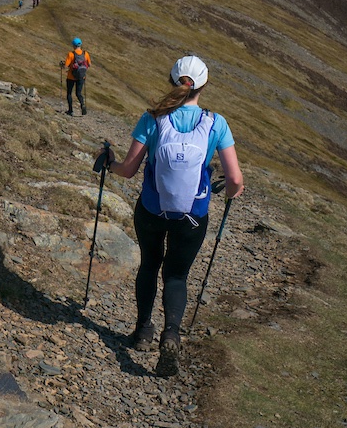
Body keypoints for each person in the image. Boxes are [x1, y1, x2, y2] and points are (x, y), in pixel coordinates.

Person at [100, 54, 245, 376]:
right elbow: (234, 180)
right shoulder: (215, 123)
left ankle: (142, 331)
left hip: (152, 208)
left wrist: (108, 162)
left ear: (172, 80)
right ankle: (171, 334)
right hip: (192, 215)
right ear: (203, 85)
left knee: (150, 264)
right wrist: (233, 193)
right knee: (177, 275)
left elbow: (127, 170)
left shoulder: (152, 119)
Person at [62, 38, 90, 115]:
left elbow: (66, 65)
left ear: (73, 45)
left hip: (71, 77)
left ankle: (70, 111)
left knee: (69, 93)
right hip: (81, 77)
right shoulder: (85, 54)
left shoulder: (71, 54)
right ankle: (82, 104)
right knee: (78, 93)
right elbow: (89, 64)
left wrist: (62, 65)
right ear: (80, 45)